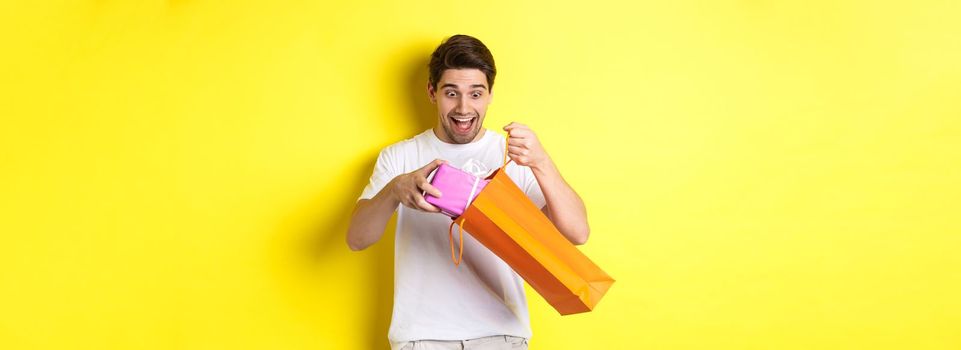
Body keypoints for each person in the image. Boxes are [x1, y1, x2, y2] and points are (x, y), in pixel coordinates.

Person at [346, 34, 590, 350]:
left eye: (476, 94)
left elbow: (577, 232)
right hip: (422, 338)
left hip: (502, 335)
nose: (464, 108)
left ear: (489, 96)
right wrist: (394, 190)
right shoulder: (399, 157)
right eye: (452, 93)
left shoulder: (512, 156)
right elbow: (356, 239)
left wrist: (541, 162)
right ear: (432, 93)